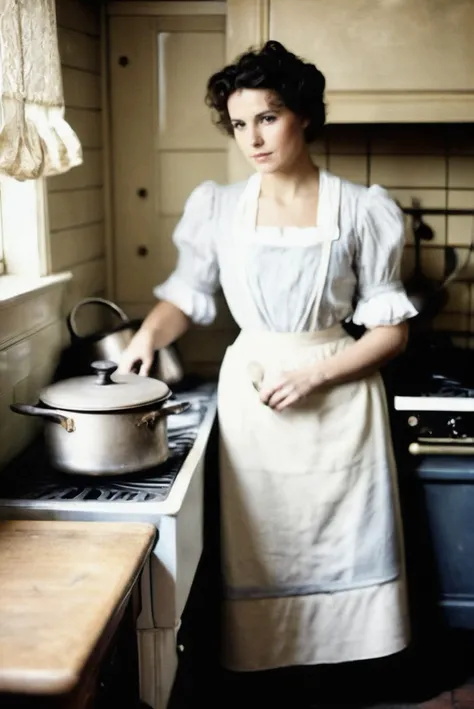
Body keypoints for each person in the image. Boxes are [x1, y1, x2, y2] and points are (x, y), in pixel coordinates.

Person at [119, 39, 418, 694]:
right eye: (239, 122)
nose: (251, 137)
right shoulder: (218, 207)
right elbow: (186, 297)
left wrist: (314, 373)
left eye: (268, 116)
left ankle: (352, 678)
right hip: (256, 398)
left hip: (339, 396)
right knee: (265, 544)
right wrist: (145, 336)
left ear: (303, 115)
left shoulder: (363, 208)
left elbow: (390, 332)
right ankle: (273, 681)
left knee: (348, 537)